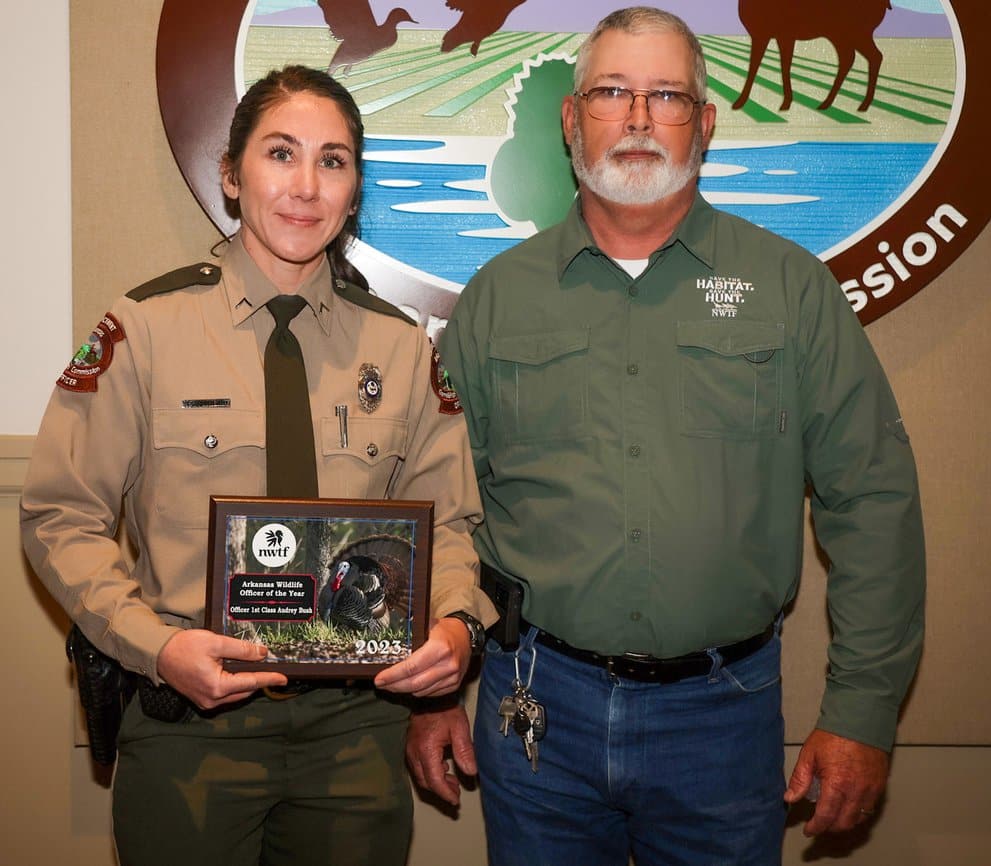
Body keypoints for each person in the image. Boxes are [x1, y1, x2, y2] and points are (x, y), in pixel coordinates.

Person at [405, 7, 925, 865]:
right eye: (611, 92)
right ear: (572, 120)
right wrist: (430, 694)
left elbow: (871, 502)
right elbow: (443, 511)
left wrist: (862, 713)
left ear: (705, 123)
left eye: (667, 95)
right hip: (534, 705)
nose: (638, 117)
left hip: (721, 716)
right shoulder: (498, 299)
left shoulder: (789, 290)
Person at [21, 65, 495, 866]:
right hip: (188, 725)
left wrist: (454, 622)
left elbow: (448, 522)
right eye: (281, 154)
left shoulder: (399, 347)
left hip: (355, 730)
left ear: (354, 191)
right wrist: (154, 646)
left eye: (334, 161)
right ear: (231, 175)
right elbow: (59, 516)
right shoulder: (144, 328)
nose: (306, 186)